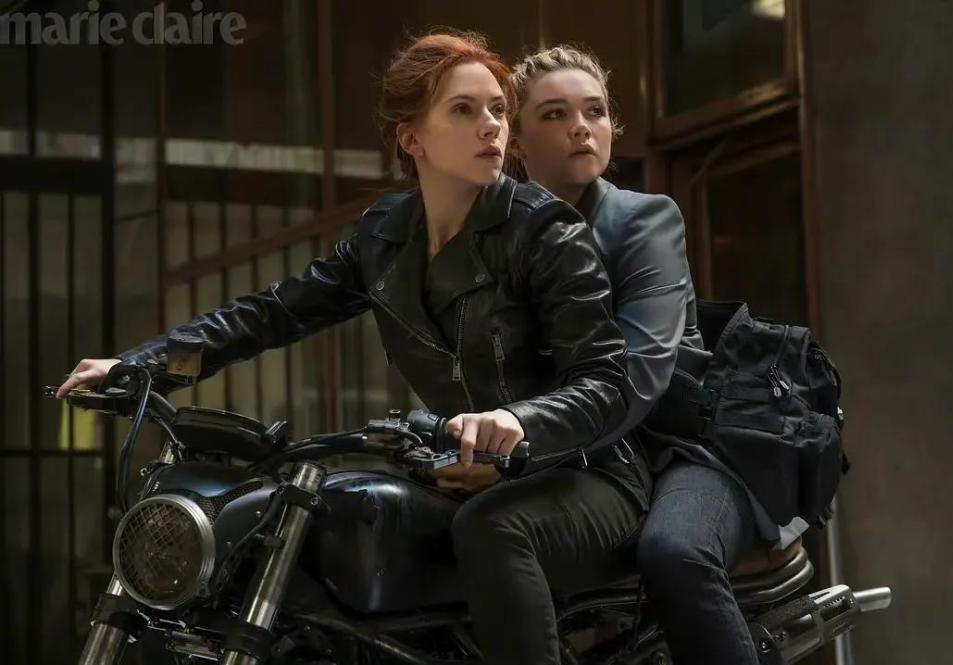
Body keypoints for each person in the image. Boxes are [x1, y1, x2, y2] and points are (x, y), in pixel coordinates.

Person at [56, 32, 650, 665]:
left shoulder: (546, 230)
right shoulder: (385, 237)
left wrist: (517, 422)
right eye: (464, 109)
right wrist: (142, 366)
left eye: (499, 109)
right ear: (411, 137)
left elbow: (606, 382)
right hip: (462, 470)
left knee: (492, 528)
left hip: (583, 474)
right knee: (341, 518)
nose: (492, 126)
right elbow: (275, 312)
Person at [507, 45, 779, 665]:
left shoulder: (644, 219)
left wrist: (524, 438)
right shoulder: (503, 238)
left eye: (595, 111)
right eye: (555, 114)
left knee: (674, 553)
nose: (582, 127)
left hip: (684, 447)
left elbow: (638, 373)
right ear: (516, 142)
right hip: (587, 457)